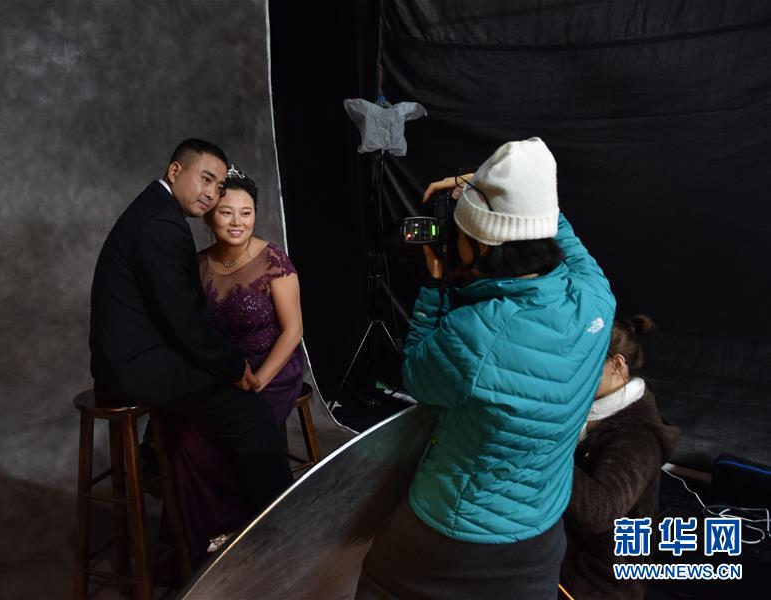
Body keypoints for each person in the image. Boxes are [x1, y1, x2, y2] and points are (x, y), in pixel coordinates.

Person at [356, 137, 617, 599]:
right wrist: (491, 188)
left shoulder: (477, 333)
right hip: (541, 537)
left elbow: (418, 375)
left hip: (452, 535)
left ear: (481, 246)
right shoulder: (596, 297)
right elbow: (557, 227)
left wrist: (434, 286)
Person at [88, 138, 292, 517]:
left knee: (218, 407)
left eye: (218, 186)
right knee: (251, 414)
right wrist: (233, 367)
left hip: (132, 360)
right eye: (206, 179)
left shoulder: (152, 210)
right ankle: (277, 525)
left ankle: (199, 504)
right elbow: (185, 320)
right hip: (135, 369)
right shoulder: (162, 225)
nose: (211, 193)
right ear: (175, 171)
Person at [164, 167, 305, 568]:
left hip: (272, 368)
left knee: (235, 437)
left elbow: (293, 331)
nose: (237, 222)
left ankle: (256, 532)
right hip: (224, 372)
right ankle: (215, 540)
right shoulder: (197, 264)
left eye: (246, 213)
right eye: (227, 213)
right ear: (210, 216)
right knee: (189, 444)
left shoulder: (274, 260)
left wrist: (260, 379)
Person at [561, 316, 680, 600]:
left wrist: (551, 450)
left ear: (617, 364)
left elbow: (599, 513)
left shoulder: (637, 437)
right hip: (565, 556)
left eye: (584, 365)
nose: (573, 374)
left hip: (598, 583)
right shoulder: (591, 411)